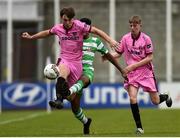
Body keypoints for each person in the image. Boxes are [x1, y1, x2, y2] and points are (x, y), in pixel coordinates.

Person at [21, 7, 118, 135]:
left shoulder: (79, 26)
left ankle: (85, 121)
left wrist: (110, 40)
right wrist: (32, 37)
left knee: (73, 102)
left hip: (77, 65)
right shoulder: (58, 28)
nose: (64, 22)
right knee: (61, 74)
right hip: (65, 60)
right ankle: (59, 100)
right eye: (63, 19)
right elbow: (46, 32)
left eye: (66, 20)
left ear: (72, 19)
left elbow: (96, 30)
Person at [60, 17, 125, 134]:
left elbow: (109, 56)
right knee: (74, 107)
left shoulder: (95, 42)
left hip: (87, 72)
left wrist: (121, 70)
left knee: (84, 79)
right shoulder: (73, 40)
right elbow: (64, 55)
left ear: (88, 29)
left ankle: (64, 94)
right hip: (73, 73)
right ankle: (86, 122)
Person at [111, 15, 172, 134]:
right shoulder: (125, 38)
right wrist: (107, 55)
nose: (133, 27)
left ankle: (165, 96)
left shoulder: (146, 39)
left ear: (140, 25)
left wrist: (133, 65)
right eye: (131, 25)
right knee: (132, 97)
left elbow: (150, 57)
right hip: (132, 74)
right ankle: (139, 128)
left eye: (135, 25)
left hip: (146, 72)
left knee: (155, 101)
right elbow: (118, 53)